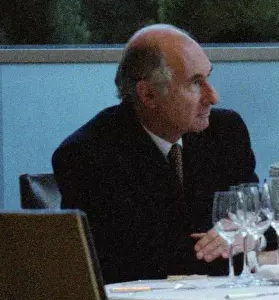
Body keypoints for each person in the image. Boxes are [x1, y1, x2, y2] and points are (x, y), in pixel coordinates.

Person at [53, 24, 258, 284]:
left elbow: (264, 223)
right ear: (148, 94)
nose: (213, 96)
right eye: (195, 83)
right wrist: (253, 257)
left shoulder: (225, 132)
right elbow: (138, 263)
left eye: (208, 78)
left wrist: (248, 238)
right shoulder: (88, 155)